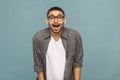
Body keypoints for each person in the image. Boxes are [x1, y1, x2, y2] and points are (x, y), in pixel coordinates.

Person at [32, 6, 83, 80]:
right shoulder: (38, 37)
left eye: (59, 17)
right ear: (47, 21)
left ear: (64, 20)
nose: (55, 21)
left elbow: (77, 63)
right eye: (51, 17)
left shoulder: (74, 36)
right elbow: (38, 66)